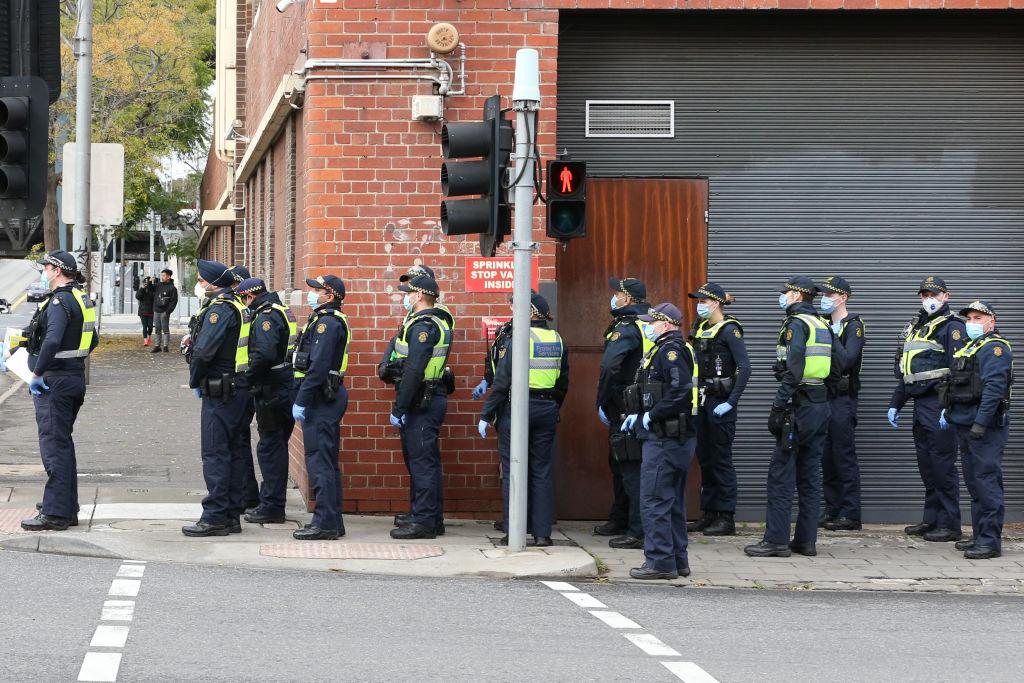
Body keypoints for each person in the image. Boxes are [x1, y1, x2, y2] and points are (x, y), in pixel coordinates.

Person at [745, 276, 836, 558]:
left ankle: (776, 541)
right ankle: (806, 542)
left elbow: (794, 369)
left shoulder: (796, 324)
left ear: (797, 295)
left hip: (798, 406)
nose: (782, 296)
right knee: (810, 475)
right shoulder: (822, 324)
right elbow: (837, 367)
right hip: (820, 403)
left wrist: (778, 404)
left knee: (781, 474)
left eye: (786, 292)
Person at [9, 251, 98, 531]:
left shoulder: (59, 301)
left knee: (54, 447)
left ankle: (56, 513)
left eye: (46, 267)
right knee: (62, 444)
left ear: (57, 271)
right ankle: (65, 507)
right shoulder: (80, 298)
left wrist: (36, 373)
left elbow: (52, 340)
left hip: (54, 383)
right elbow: (92, 340)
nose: (44, 272)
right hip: (72, 378)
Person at [479, 292, 569, 547]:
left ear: (530, 313)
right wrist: (552, 406)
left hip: (518, 408)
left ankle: (515, 532)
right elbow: (563, 381)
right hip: (547, 408)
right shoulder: (556, 338)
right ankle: (542, 534)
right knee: (541, 471)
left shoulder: (520, 337)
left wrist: (487, 413)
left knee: (513, 469)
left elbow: (503, 380)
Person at [620, 304, 698, 580]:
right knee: (672, 501)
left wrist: (650, 416)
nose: (647, 327)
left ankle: (660, 562)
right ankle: (677, 560)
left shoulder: (670, 351)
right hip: (675, 437)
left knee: (653, 500)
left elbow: (680, 390)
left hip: (665, 437)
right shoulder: (675, 348)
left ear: (665, 325)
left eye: (651, 323)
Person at [889, 276, 967, 542]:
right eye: (925, 295)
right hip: (919, 404)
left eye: (934, 294)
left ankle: (950, 524)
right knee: (927, 465)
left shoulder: (952, 327)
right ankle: (931, 519)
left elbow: (959, 370)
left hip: (939, 403)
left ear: (946, 296)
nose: (929, 299)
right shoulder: (917, 327)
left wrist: (950, 405)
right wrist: (896, 403)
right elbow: (908, 371)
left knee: (943, 465)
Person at [379, 264, 454, 531]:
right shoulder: (424, 321)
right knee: (424, 462)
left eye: (409, 292)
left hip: (422, 399)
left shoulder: (425, 326)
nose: (406, 297)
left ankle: (424, 521)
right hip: (424, 398)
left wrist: (399, 408)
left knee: (422, 464)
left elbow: (414, 369)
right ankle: (427, 516)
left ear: (420, 295)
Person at [182, 260, 252, 537]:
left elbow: (204, 352)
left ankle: (215, 516)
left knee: (215, 454)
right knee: (233, 453)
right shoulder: (237, 304)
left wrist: (194, 380)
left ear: (213, 283)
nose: (198, 285)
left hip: (221, 391)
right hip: (237, 388)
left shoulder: (219, 309)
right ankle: (231, 514)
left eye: (201, 280)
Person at [940, 300, 1012, 559]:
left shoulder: (995, 348)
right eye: (969, 319)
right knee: (975, 483)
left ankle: (990, 541)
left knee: (986, 482)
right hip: (966, 424)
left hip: (985, 428)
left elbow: (994, 389)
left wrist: (981, 423)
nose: (971, 323)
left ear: (992, 322)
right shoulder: (972, 346)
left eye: (978, 318)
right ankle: (981, 534)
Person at [594, 277, 654, 550]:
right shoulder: (648, 323)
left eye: (617, 294)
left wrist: (603, 400)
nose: (614, 298)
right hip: (643, 404)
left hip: (625, 406)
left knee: (629, 468)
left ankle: (637, 530)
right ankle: (620, 518)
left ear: (628, 298)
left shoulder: (627, 327)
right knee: (621, 464)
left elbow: (610, 367)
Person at [686, 282, 750, 537]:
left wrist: (731, 402)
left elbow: (744, 368)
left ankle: (726, 516)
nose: (699, 305)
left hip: (720, 402)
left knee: (721, 459)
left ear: (715, 302)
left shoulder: (729, 330)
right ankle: (709, 513)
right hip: (701, 401)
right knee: (705, 458)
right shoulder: (700, 327)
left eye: (703, 301)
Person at [291, 275, 351, 540]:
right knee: (326, 461)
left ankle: (325, 523)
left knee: (320, 463)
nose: (311, 294)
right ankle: (332, 521)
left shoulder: (328, 323)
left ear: (330, 295)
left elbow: (317, 367)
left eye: (316, 290)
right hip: (324, 397)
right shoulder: (323, 319)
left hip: (321, 399)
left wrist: (301, 400)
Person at [237, 278, 297, 525]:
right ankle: (272, 502)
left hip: (272, 389)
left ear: (250, 296)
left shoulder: (266, 316)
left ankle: (272, 506)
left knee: (270, 448)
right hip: (283, 385)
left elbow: (264, 353)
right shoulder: (281, 309)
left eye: (243, 298)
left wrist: (246, 378)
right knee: (276, 446)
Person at [818, 276, 866, 531]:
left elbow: (848, 359)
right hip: (823, 396)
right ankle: (832, 509)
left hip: (843, 399)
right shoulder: (823, 323)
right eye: (823, 294)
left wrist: (832, 335)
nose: (824, 299)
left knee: (843, 455)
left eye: (830, 295)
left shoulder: (854, 326)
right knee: (826, 456)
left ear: (843, 297)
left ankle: (850, 514)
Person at [151, 268, 179, 353]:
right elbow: (151, 289)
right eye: (161, 275)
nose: (162, 277)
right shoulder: (159, 285)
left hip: (165, 311)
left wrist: (168, 311)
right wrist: (150, 281)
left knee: (165, 329)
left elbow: (174, 301)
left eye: (164, 275)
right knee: (157, 329)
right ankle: (157, 346)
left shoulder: (172, 288)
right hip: (156, 310)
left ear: (168, 277)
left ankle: (165, 346)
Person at [135, 277, 155, 347]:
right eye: (145, 283)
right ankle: (145, 340)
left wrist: (150, 288)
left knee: (150, 326)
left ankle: (149, 337)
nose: (146, 284)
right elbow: (137, 296)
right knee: (144, 326)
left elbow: (153, 297)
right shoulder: (141, 289)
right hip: (142, 311)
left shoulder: (152, 289)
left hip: (151, 311)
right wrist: (142, 288)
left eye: (147, 283)